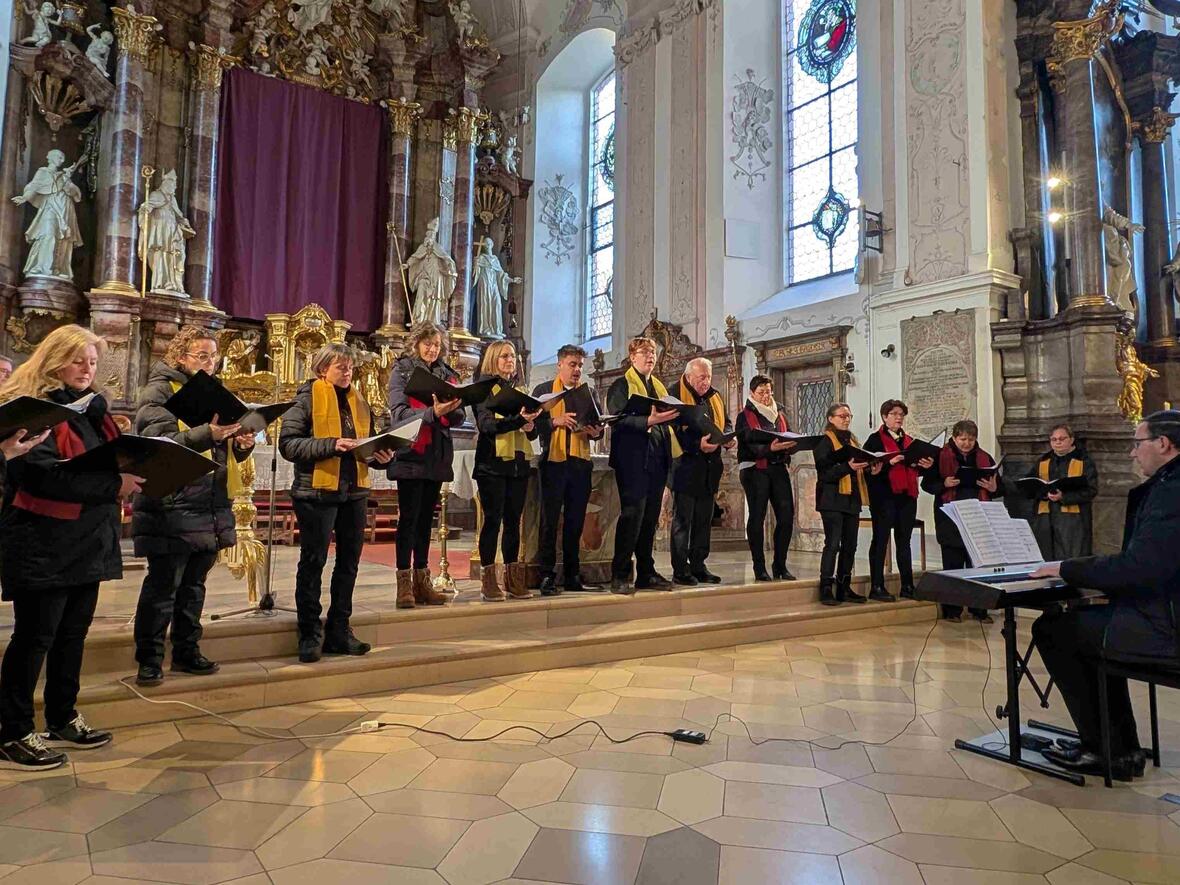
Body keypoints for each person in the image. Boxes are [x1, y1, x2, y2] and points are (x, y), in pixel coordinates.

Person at [0, 325, 142, 771]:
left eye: (93, 362)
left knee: (72, 635)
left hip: (88, 537)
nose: (87, 369)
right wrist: (113, 484)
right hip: (41, 539)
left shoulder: (93, 410)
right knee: (34, 637)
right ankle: (14, 731)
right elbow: (41, 475)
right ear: (54, 358)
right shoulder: (31, 408)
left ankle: (62, 716)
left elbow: (105, 460)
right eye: (78, 360)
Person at [1028, 410, 1180, 780]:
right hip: (1164, 611)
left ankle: (1106, 749)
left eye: (1137, 443)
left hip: (1169, 627)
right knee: (1083, 625)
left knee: (1056, 630)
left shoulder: (1172, 491)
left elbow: (1140, 567)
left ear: (1162, 444)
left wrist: (1066, 568)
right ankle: (1120, 747)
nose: (1132, 453)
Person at [130, 327, 256, 686]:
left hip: (209, 502)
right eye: (201, 355)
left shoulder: (213, 393)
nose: (209, 362)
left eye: (213, 356)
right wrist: (209, 434)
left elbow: (222, 448)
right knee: (163, 586)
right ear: (180, 356)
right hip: (171, 502)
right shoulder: (159, 391)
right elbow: (158, 444)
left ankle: (187, 650)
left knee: (195, 585)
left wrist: (241, 442)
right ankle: (150, 658)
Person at [279, 344, 394, 663]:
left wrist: (382, 456)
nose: (347, 372)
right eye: (340, 367)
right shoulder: (305, 399)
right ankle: (309, 633)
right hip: (315, 493)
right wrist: (332, 445)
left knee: (349, 564)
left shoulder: (360, 401)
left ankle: (340, 629)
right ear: (321, 370)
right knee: (313, 561)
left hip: (353, 492)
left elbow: (367, 446)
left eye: (350, 367)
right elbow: (288, 445)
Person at [387, 321, 464, 608]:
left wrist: (453, 408)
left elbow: (460, 415)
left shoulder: (446, 373)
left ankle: (422, 581)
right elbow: (399, 415)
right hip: (410, 453)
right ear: (417, 343)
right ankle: (404, 586)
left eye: (437, 345)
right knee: (408, 520)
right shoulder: (403, 370)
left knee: (425, 523)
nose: (433, 349)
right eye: (428, 344)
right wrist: (433, 412)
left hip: (436, 454)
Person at [607, 337, 679, 594]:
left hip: (657, 459)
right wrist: (648, 420)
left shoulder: (658, 387)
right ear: (632, 356)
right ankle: (621, 573)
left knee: (650, 519)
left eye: (654, 352)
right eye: (645, 352)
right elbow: (616, 420)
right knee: (632, 516)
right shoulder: (621, 384)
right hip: (632, 460)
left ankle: (646, 572)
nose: (651, 356)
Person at [532, 344, 604, 595]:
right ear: (560, 364)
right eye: (572, 365)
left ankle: (573, 575)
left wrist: (596, 431)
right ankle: (547, 575)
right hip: (553, 462)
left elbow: (598, 425)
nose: (576, 370)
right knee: (549, 522)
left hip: (580, 463)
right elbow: (532, 422)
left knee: (575, 522)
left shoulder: (589, 392)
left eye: (580, 366)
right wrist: (555, 421)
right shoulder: (543, 391)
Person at [473, 340, 538, 601]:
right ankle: (489, 580)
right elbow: (487, 426)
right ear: (492, 360)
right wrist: (520, 420)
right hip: (492, 464)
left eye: (512, 356)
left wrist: (531, 427)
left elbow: (531, 435)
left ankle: (513, 579)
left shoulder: (519, 390)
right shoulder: (483, 390)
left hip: (518, 464)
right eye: (503, 356)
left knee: (514, 522)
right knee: (492, 521)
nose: (510, 360)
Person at [921, 419, 1001, 622]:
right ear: (954, 438)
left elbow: (997, 486)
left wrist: (994, 489)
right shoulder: (940, 456)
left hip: (978, 517)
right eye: (962, 439)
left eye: (971, 439)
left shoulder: (984, 458)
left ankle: (979, 609)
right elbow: (927, 485)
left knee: (977, 565)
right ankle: (952, 611)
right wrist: (944, 483)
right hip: (951, 517)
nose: (966, 443)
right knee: (953, 565)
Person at [667, 358, 734, 585]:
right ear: (688, 377)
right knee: (683, 521)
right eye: (701, 377)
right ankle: (680, 569)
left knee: (704, 520)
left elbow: (726, 422)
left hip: (709, 468)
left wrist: (727, 437)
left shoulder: (714, 396)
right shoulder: (673, 395)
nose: (706, 382)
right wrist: (697, 446)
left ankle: (698, 565)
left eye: (708, 377)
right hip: (685, 467)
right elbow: (671, 431)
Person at [863, 400, 935, 602]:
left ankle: (907, 585)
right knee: (880, 540)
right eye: (894, 413)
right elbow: (867, 469)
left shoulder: (910, 441)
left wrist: (925, 465)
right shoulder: (874, 440)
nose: (898, 417)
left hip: (906, 498)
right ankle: (877, 585)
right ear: (884, 417)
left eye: (901, 414)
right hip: (883, 498)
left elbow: (914, 467)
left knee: (904, 542)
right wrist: (888, 463)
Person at [813, 402, 878, 605]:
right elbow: (824, 474)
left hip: (851, 500)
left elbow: (857, 469)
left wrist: (869, 470)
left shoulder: (852, 441)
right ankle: (825, 587)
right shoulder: (824, 441)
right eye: (842, 416)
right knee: (833, 544)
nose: (846, 419)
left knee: (851, 545)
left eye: (849, 416)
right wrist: (847, 467)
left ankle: (844, 587)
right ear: (831, 418)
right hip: (831, 499)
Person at [734, 375, 796, 582]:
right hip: (754, 470)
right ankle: (759, 567)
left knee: (786, 517)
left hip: (778, 468)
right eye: (761, 392)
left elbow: (787, 437)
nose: (765, 396)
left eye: (768, 391)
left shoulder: (780, 415)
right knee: (757, 517)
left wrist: (791, 446)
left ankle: (780, 565)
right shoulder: (745, 416)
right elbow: (748, 444)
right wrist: (770, 448)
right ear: (752, 394)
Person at [1021, 424, 1099, 560]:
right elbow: (1029, 485)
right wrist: (1044, 493)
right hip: (1045, 519)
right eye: (1054, 439)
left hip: (1073, 522)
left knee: (1072, 561)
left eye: (1062, 439)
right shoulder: (1043, 461)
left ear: (1071, 439)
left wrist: (1064, 496)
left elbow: (1091, 490)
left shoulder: (1083, 461)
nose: (1057, 442)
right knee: (1046, 559)